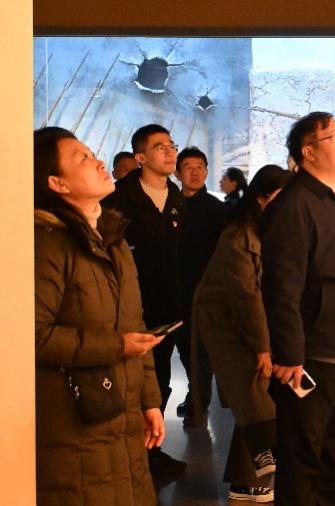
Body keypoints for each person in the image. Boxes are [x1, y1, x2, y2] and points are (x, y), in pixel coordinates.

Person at [35, 127, 165, 504]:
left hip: (122, 419)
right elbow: (32, 335)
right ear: (57, 183)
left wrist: (149, 401)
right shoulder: (47, 242)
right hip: (76, 423)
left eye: (93, 154)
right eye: (83, 158)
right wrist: (116, 346)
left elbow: (135, 327)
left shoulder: (112, 237)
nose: (98, 162)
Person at [261, 112, 335, 505]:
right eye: (334, 137)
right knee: (304, 455)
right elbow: (282, 288)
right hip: (315, 353)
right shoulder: (294, 204)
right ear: (308, 152)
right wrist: (289, 354)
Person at [194, 164, 291, 504]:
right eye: (281, 198)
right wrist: (262, 347)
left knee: (256, 400)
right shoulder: (239, 236)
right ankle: (253, 478)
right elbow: (245, 297)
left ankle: (248, 480)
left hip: (252, 322)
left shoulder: (268, 227)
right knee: (256, 399)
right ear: (262, 197)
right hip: (228, 325)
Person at [102, 123, 187, 475]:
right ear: (140, 157)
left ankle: (150, 451)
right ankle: (124, 454)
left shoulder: (177, 198)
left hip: (168, 307)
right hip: (127, 308)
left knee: (159, 378)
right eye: (159, 147)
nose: (170, 152)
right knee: (126, 380)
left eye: (171, 145)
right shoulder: (118, 199)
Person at [174, 146, 228, 425]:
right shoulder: (169, 206)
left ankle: (199, 403)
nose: (195, 173)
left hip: (207, 293)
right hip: (175, 290)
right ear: (177, 173)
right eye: (188, 167)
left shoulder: (218, 210)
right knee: (186, 349)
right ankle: (196, 397)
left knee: (202, 350)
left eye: (200, 167)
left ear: (207, 172)